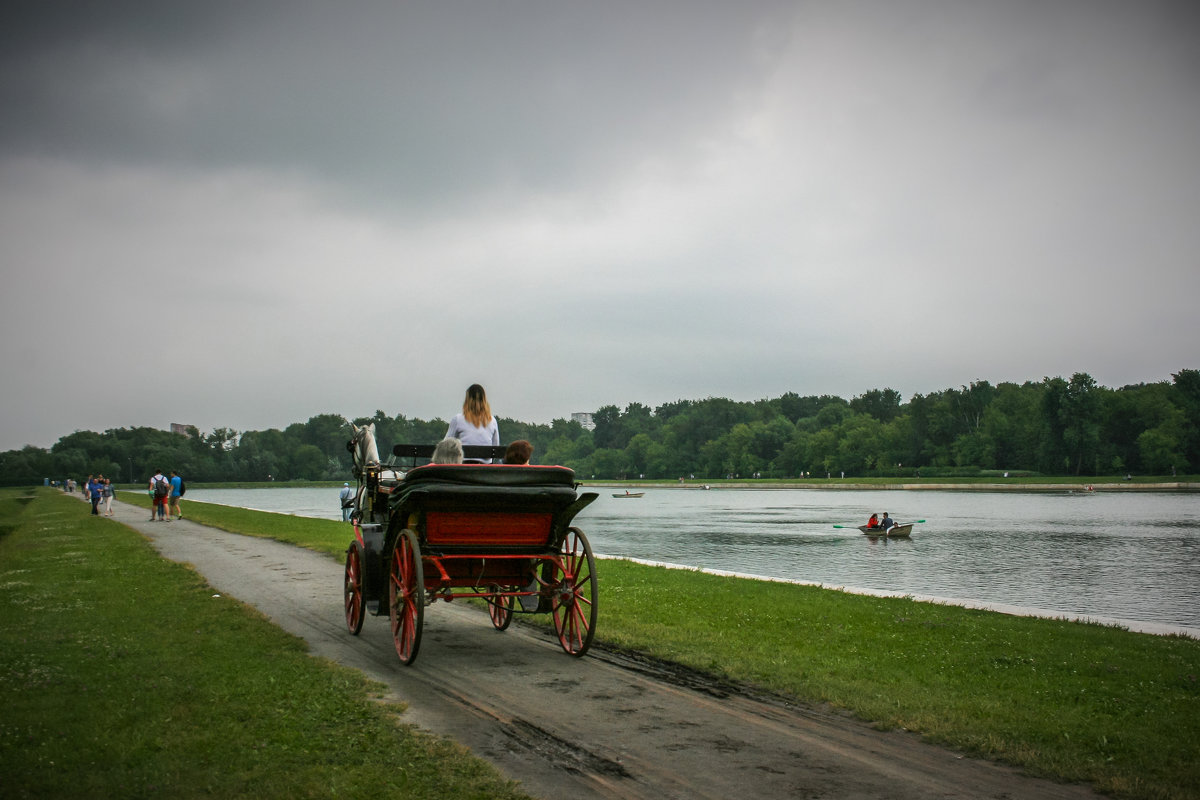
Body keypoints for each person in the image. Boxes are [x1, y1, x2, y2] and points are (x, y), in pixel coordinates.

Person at [446, 384, 499, 462]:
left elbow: (446, 444)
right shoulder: (492, 420)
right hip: (485, 467)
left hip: (463, 465)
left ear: (467, 400)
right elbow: (496, 447)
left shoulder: (458, 419)